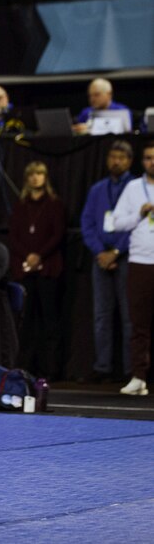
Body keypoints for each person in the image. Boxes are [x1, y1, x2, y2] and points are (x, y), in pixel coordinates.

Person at [80, 140, 133, 383]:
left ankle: (130, 369)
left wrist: (117, 251)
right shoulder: (97, 189)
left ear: (129, 161)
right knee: (101, 315)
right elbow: (88, 223)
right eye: (113, 157)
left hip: (128, 257)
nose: (116, 161)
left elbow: (138, 224)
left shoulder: (136, 188)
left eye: (121, 158)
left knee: (128, 315)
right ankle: (103, 367)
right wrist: (101, 252)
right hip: (100, 259)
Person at [9, 161, 66, 381]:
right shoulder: (20, 205)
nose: (35, 178)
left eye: (40, 173)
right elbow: (13, 236)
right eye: (31, 174)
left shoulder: (54, 204)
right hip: (24, 270)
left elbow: (57, 234)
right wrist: (28, 257)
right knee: (26, 322)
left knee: (49, 321)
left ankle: (50, 370)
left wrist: (39, 256)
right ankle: (25, 368)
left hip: (48, 269)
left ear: (46, 177)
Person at [113, 141, 154, 396]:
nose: (152, 162)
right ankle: (139, 376)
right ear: (142, 161)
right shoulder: (132, 188)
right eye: (149, 157)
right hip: (140, 262)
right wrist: (139, 214)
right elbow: (117, 223)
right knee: (139, 323)